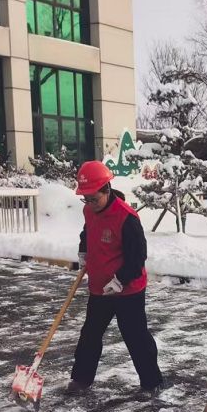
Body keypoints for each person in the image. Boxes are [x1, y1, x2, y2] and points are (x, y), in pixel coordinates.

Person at [66, 161, 163, 395]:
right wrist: (83, 251)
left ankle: (152, 383)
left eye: (94, 199)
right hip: (100, 288)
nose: (90, 204)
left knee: (135, 335)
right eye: (86, 199)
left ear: (107, 190)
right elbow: (88, 232)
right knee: (90, 334)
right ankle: (81, 380)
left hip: (128, 289)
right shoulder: (89, 210)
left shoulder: (126, 217)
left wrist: (120, 280)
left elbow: (138, 257)